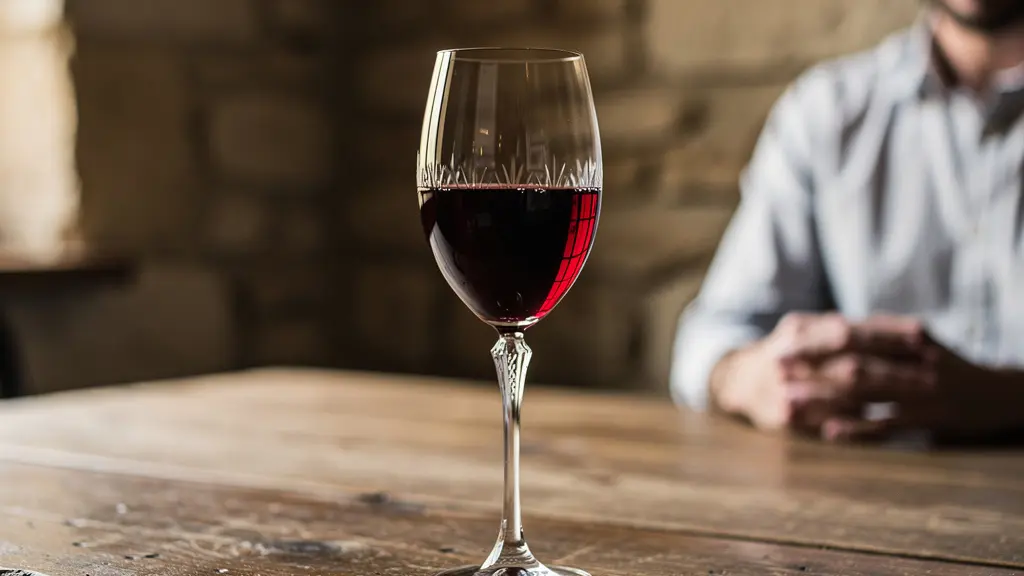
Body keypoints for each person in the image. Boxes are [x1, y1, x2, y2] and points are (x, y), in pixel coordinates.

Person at [671, 0, 1024, 443]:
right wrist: (751, 378)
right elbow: (710, 337)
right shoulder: (826, 113)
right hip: (857, 497)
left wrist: (1003, 400)